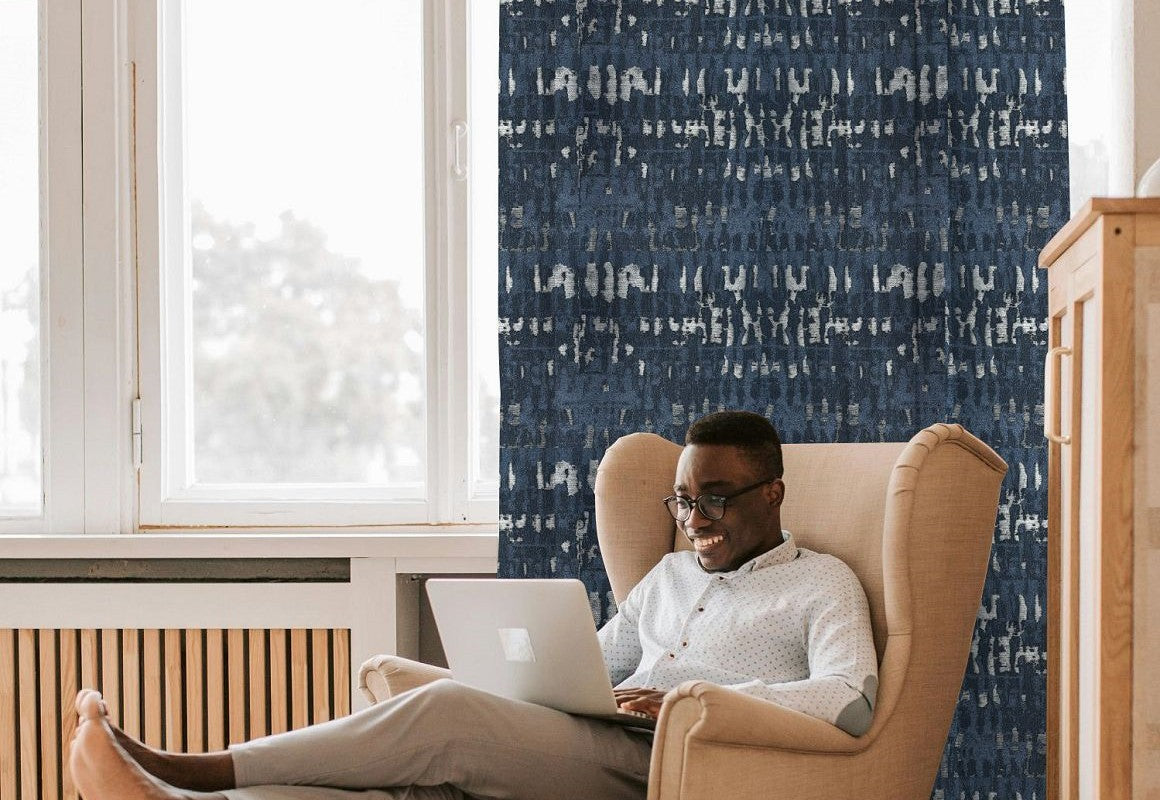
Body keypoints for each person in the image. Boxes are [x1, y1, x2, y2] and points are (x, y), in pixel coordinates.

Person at [69, 410, 877, 800]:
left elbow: (850, 701)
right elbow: (595, 665)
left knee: (446, 715)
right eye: (684, 501)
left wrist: (698, 698)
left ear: (772, 492)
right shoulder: (666, 579)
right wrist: (541, 681)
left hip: (678, 764)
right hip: (604, 736)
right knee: (410, 788)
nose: (695, 518)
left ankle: (197, 769)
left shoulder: (821, 582)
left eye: (717, 497)